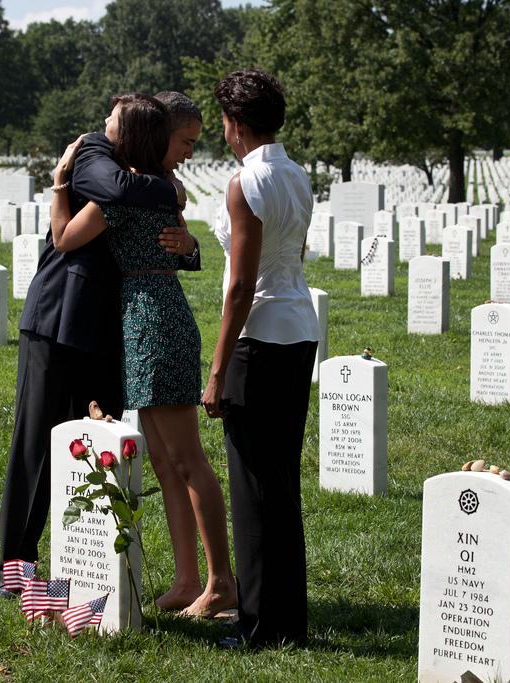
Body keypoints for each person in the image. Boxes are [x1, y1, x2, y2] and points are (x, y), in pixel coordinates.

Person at [0, 98, 201, 600]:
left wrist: (186, 238)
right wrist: (165, 187)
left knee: (100, 445)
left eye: (112, 119)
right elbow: (112, 194)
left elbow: (169, 246)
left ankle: (87, 566)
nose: (103, 125)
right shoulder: (90, 152)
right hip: (60, 315)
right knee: (36, 444)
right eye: (185, 143)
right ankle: (17, 566)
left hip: (116, 327)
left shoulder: (141, 173)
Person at [50, 94, 237, 618]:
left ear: (128, 138)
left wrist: (61, 184)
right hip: (148, 315)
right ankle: (185, 581)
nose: (103, 134)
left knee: (186, 458)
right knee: (162, 459)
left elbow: (63, 238)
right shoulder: (159, 189)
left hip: (152, 321)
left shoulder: (122, 196)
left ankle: (221, 582)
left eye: (112, 126)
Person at [201, 69, 319, 647]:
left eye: (224, 122)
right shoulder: (299, 176)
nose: (224, 132)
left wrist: (218, 368)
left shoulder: (244, 182)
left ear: (238, 125)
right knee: (281, 481)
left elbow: (241, 285)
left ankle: (256, 626)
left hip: (259, 335)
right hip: (299, 330)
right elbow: (292, 256)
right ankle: (286, 622)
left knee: (251, 490)